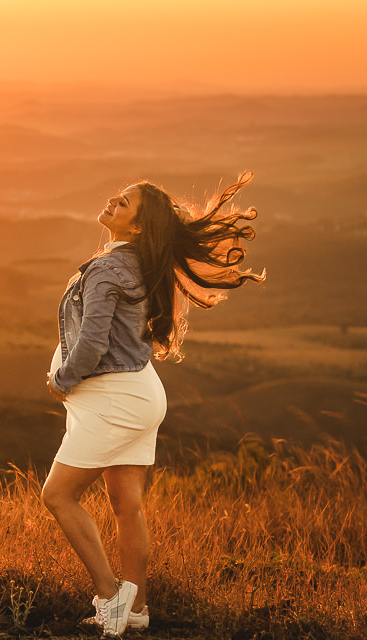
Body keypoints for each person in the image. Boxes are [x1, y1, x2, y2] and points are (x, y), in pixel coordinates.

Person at [41, 172, 265, 637]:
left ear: (139, 227)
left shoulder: (107, 269)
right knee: (127, 504)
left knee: (58, 496)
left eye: (122, 203)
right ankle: (136, 610)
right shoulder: (141, 263)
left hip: (113, 399)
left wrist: (62, 379)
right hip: (139, 392)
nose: (112, 202)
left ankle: (111, 597)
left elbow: (92, 344)